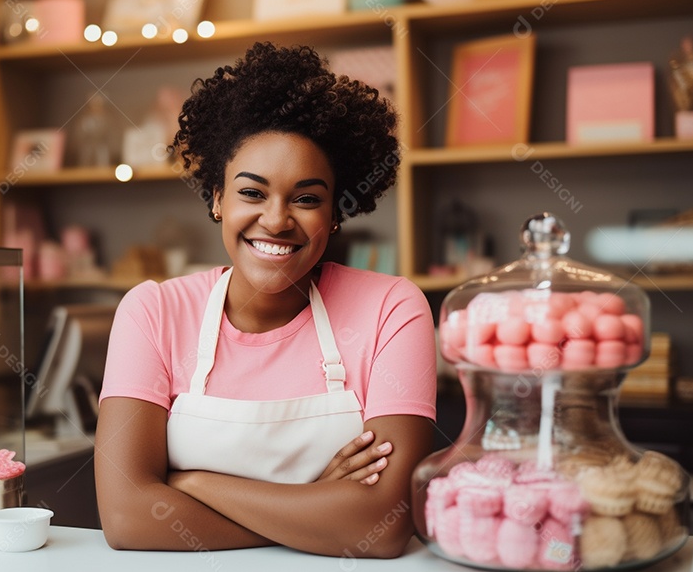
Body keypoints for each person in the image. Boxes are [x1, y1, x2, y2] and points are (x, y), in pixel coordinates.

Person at [94, 42, 437, 558]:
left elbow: (384, 525)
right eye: (252, 193)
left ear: (336, 213)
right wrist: (318, 507)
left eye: (306, 198)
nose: (276, 220)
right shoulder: (153, 312)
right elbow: (126, 518)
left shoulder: (391, 309)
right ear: (216, 197)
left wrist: (190, 483)